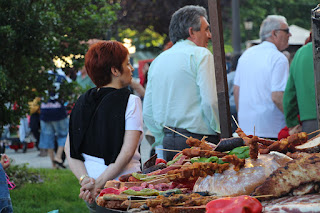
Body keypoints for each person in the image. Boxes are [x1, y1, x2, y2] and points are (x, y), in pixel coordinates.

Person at [65, 40, 143, 212]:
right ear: (115, 70)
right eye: (127, 63)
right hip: (123, 189)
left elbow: (69, 149)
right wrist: (98, 184)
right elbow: (127, 152)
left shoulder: (81, 101)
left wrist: (85, 181)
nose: (131, 68)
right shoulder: (131, 101)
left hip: (91, 192)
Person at [143, 5, 220, 161]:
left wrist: (161, 138)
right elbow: (210, 101)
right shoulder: (201, 54)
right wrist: (220, 132)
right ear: (192, 32)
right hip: (200, 141)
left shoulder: (158, 60)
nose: (210, 35)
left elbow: (148, 112)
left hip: (168, 140)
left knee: (177, 185)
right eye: (206, 30)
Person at [234, 15, 291, 139]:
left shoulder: (246, 55)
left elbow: (237, 91)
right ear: (274, 33)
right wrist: (293, 123)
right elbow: (277, 97)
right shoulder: (278, 58)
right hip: (272, 131)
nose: (290, 35)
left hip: (246, 130)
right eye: (287, 31)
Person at [283, 34, 318, 138]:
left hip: (311, 125)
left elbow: (289, 96)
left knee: (313, 155)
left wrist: (292, 123)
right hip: (310, 121)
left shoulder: (301, 53)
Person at [39, 69, 69, 169]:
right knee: (64, 135)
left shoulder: (42, 77)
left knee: (48, 137)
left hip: (45, 111)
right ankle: (58, 156)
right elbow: (67, 92)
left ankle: (53, 164)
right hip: (58, 111)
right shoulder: (61, 75)